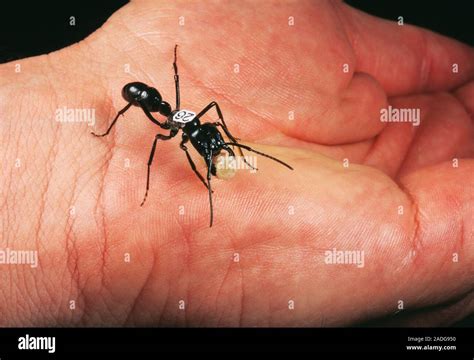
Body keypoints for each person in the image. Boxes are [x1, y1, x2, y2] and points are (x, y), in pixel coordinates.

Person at [0, 0, 472, 326]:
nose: (208, 149)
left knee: (202, 131)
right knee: (181, 141)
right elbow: (183, 136)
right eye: (210, 149)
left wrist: (225, 146)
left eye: (212, 148)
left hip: (179, 111)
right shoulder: (171, 129)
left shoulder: (191, 121)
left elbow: (203, 128)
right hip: (153, 102)